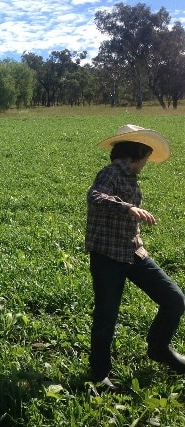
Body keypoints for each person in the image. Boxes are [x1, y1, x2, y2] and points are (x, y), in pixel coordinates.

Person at [86, 124, 185, 390]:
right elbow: (95, 196)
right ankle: (99, 375)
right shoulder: (111, 172)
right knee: (106, 317)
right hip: (107, 257)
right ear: (136, 154)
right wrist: (128, 208)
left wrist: (137, 235)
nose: (146, 164)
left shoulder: (129, 177)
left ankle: (159, 348)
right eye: (146, 158)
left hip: (132, 252)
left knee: (174, 298)